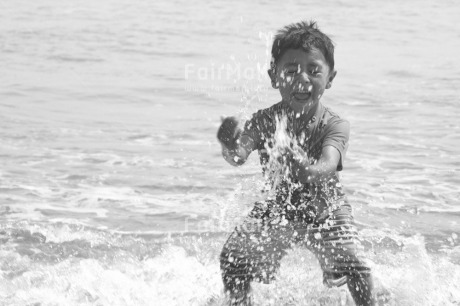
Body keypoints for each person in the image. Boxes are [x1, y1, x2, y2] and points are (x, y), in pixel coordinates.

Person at [217, 21, 375, 306]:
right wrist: (229, 144)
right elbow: (239, 156)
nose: (302, 79)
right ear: (273, 77)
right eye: (290, 71)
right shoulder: (264, 120)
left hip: (326, 208)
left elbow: (328, 164)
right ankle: (239, 302)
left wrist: (307, 170)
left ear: (330, 78)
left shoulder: (335, 125)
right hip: (279, 208)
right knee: (233, 257)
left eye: (313, 71)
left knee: (354, 265)